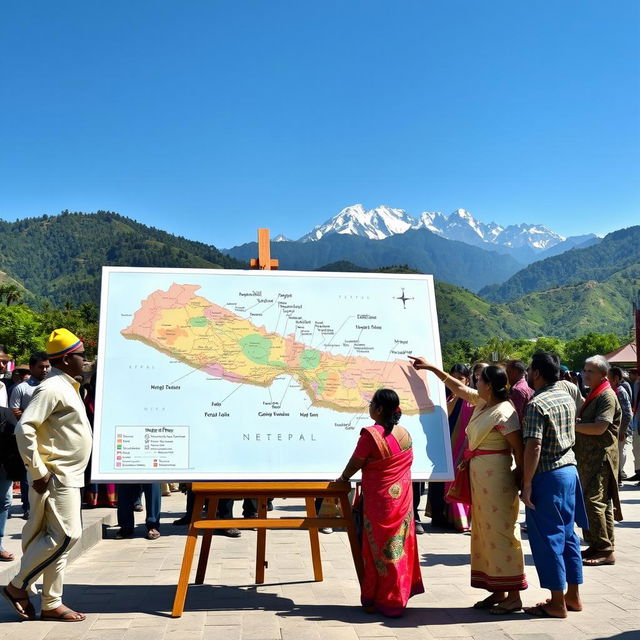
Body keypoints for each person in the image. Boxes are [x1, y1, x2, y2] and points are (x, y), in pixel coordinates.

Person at [409, 356, 527, 614]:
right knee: (484, 534)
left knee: (502, 533)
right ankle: (498, 589)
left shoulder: (505, 411)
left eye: (479, 379)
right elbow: (458, 388)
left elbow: (519, 450)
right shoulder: (484, 403)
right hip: (482, 480)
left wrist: (522, 483)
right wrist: (431, 368)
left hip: (498, 481)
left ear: (489, 385)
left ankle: (514, 595)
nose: (475, 381)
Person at [2, 328, 91, 622]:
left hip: (66, 474)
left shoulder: (68, 385)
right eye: (81, 355)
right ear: (67, 359)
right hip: (55, 474)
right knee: (67, 535)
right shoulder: (52, 388)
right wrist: (37, 470)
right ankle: (17, 586)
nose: (84, 360)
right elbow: (23, 428)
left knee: (56, 540)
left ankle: (52, 603)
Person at [337, 388, 424, 617]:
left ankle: (379, 599)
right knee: (398, 550)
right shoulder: (405, 433)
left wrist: (343, 478)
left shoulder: (371, 435)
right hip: (402, 504)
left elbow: (356, 461)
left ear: (378, 409)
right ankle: (398, 597)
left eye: (371, 402)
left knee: (378, 552)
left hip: (379, 506)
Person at [520, 352, 588, 619]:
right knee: (569, 536)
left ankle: (556, 602)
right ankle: (573, 596)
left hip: (548, 475)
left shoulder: (537, 404)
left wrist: (526, 484)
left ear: (536, 372)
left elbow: (534, 445)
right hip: (569, 472)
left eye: (529, 370)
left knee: (548, 538)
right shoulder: (566, 397)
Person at [574, 355, 622, 566]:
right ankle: (599, 545)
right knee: (598, 503)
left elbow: (600, 427)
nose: (585, 374)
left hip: (600, 458)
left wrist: (572, 426)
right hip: (589, 458)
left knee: (594, 503)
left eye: (590, 371)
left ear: (603, 374)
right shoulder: (595, 393)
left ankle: (604, 549)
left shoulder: (606, 396)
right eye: (584, 370)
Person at [426, 363, 472, 531]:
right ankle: (439, 516)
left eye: (460, 378)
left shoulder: (472, 399)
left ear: (467, 380)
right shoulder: (441, 397)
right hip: (441, 446)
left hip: (462, 447)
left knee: (458, 479)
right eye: (453, 378)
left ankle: (459, 518)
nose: (456, 381)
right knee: (439, 482)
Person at [9, 352, 51, 521]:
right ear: (32, 367)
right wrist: (32, 418)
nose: (45, 370)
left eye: (47, 366)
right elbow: (14, 412)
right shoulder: (22, 388)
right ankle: (28, 507)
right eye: (41, 367)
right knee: (30, 473)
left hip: (48, 440)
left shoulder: (51, 387)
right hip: (28, 438)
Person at [608, 367, 632, 485]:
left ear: (616, 378)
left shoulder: (620, 391)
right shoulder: (613, 390)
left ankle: (619, 477)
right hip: (615, 430)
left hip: (620, 430)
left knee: (619, 453)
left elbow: (627, 414)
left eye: (608, 376)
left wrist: (622, 431)